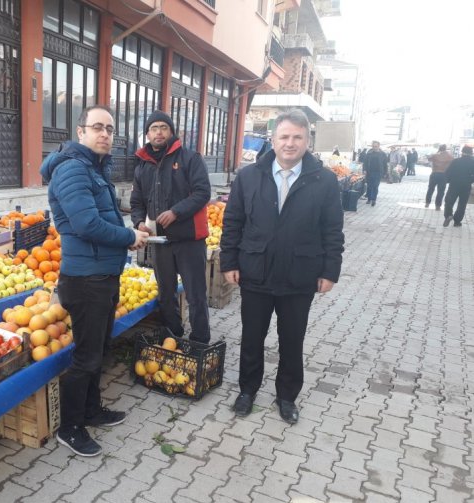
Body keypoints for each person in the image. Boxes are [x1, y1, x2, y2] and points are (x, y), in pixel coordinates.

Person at [220, 109, 344, 424]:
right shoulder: (249, 176)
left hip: (299, 275)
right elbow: (233, 221)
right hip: (255, 271)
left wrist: (330, 271)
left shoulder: (325, 180)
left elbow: (332, 230)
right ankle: (247, 390)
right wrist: (229, 261)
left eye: (297, 137)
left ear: (307, 140)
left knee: (292, 340)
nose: (290, 143)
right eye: (284, 137)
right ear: (273, 140)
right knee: (251, 337)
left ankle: (286, 397)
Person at [40, 105, 149, 457]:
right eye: (97, 127)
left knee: (100, 350)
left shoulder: (93, 169)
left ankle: (91, 410)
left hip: (103, 275)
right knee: (86, 357)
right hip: (85, 279)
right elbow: (87, 225)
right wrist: (128, 236)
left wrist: (128, 229)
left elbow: (101, 216)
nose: (105, 134)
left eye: (110, 129)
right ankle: (70, 427)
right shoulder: (72, 169)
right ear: (80, 131)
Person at [130, 110, 211, 343]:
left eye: (163, 128)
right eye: (154, 128)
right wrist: (138, 222)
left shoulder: (190, 158)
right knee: (166, 293)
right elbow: (137, 203)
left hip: (189, 240)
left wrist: (176, 212)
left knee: (195, 294)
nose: (158, 132)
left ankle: (199, 341)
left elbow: (202, 192)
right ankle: (173, 334)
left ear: (171, 132)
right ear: (147, 134)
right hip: (160, 242)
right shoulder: (142, 167)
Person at [443, 145, 474, 227]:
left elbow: (448, 173)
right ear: (471, 153)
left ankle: (448, 215)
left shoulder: (456, 161)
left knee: (449, 201)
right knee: (462, 204)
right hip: (466, 186)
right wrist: (470, 181)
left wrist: (448, 181)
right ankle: (457, 222)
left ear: (462, 152)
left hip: (454, 185)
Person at [425, 144, 454, 210]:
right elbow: (453, 162)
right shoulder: (449, 156)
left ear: (439, 148)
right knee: (441, 191)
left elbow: (429, 158)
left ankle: (427, 203)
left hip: (434, 173)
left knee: (430, 189)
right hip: (443, 175)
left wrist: (437, 152)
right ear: (446, 148)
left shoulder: (435, 155)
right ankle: (438, 205)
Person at [362, 141, 387, 207]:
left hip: (378, 172)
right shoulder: (369, 153)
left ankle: (374, 200)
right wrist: (364, 169)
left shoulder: (383, 154)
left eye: (375, 146)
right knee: (369, 186)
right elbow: (365, 162)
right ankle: (369, 199)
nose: (374, 147)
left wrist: (385, 173)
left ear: (378, 146)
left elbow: (385, 164)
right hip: (370, 172)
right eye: (373, 146)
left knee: (375, 186)